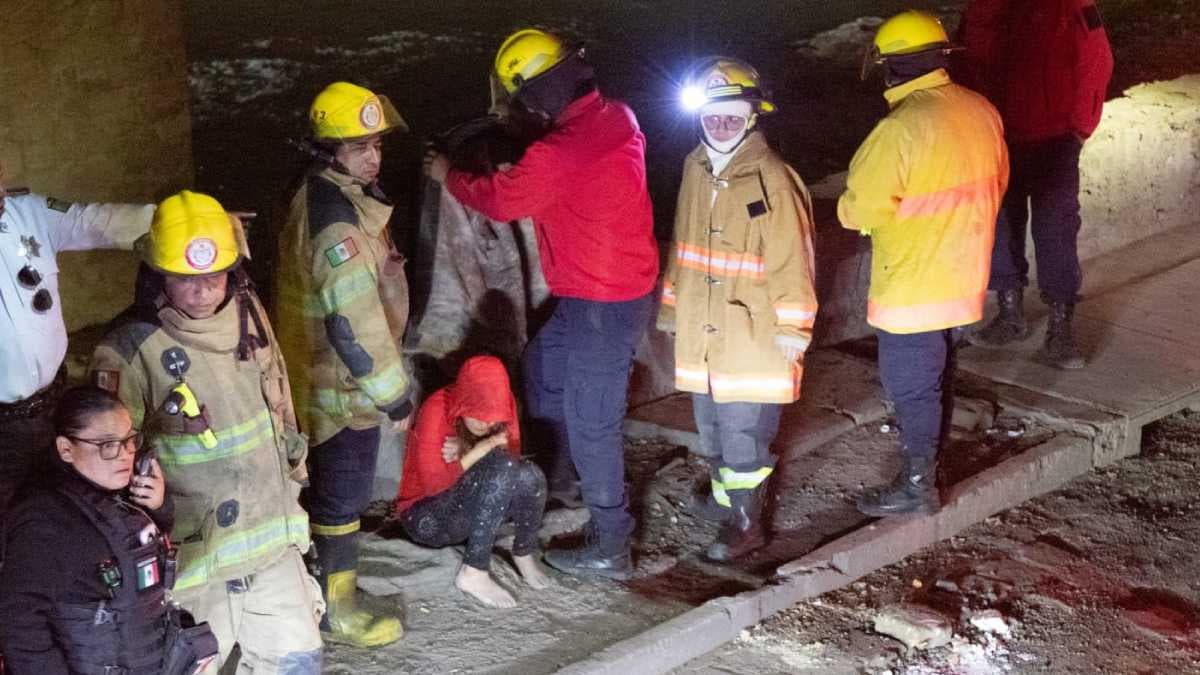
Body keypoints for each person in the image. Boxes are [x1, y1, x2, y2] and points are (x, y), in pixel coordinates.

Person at [425, 29, 660, 579]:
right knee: (542, 366)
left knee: (592, 420)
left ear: (536, 95)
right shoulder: (616, 117)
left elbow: (504, 201)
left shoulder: (556, 152)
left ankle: (611, 541)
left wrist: (448, 175)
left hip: (602, 302)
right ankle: (561, 478)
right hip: (606, 292)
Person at [90, 190, 323, 672]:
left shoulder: (248, 314)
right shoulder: (128, 350)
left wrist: (296, 486)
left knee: (298, 660)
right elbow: (107, 471)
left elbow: (279, 405)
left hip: (270, 543)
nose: (202, 291)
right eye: (185, 279)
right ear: (158, 275)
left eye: (214, 276)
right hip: (195, 563)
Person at [839, 11, 1008, 515]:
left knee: (912, 388)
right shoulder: (981, 110)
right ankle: (926, 469)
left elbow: (859, 209)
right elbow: (997, 183)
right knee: (940, 378)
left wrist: (852, 210)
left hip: (913, 288)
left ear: (892, 69)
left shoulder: (899, 130)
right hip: (963, 280)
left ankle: (917, 485)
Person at [659, 57, 818, 561]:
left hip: (754, 334)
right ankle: (729, 501)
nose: (721, 124)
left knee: (744, 435)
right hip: (706, 332)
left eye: (732, 115)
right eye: (712, 116)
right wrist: (671, 309)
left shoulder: (772, 177)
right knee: (711, 426)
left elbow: (794, 255)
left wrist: (794, 325)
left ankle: (749, 525)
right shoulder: (694, 166)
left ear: (752, 116)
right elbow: (683, 245)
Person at [273, 81, 412, 647]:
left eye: (376, 145)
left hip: (322, 376)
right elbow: (354, 322)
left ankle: (325, 593)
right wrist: (393, 394)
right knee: (340, 498)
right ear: (328, 150)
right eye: (358, 148)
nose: (373, 157)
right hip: (341, 387)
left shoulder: (328, 196)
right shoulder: (337, 222)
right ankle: (338, 609)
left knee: (333, 493)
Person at [0, 386, 214, 674]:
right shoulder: (43, 520)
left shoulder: (121, 492)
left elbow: (144, 554)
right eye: (107, 445)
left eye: (129, 441)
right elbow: (20, 623)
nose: (124, 455)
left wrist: (159, 506)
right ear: (66, 449)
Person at [961, 0, 1113, 369]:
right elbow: (965, 63)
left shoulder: (1072, 5)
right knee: (1000, 226)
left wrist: (1077, 130)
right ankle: (1009, 312)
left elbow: (1097, 61)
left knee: (1056, 229)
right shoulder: (984, 9)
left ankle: (1061, 326)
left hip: (1055, 141)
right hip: (999, 137)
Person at [0, 168, 155, 517]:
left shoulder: (27, 214)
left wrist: (186, 225)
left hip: (54, 408)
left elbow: (96, 221)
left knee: (71, 511)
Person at [394, 355, 550, 608]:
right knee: (505, 463)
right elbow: (434, 485)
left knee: (529, 474)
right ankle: (474, 571)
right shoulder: (437, 408)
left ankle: (523, 551)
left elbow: (510, 464)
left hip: (465, 511)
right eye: (477, 415)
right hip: (426, 518)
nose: (486, 423)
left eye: (493, 418)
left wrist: (468, 448)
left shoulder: (503, 408)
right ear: (464, 401)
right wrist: (483, 446)